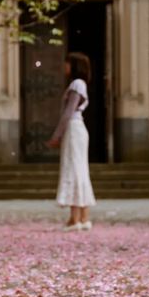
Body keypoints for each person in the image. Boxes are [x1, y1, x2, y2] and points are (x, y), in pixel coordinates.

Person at [45, 52, 96, 231]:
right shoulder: (80, 84)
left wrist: (56, 136)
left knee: (74, 169)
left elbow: (69, 112)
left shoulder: (76, 84)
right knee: (80, 170)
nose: (64, 67)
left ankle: (76, 219)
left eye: (67, 63)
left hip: (73, 128)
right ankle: (83, 217)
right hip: (76, 128)